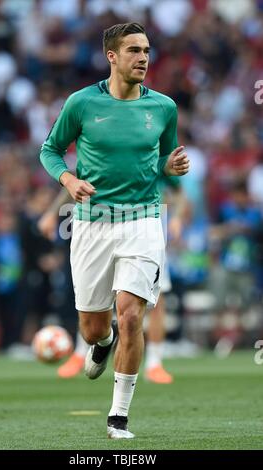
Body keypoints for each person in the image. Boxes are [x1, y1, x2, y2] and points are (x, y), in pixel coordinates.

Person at [40, 22, 189, 439]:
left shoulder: (163, 107)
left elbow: (164, 159)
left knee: (130, 315)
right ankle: (100, 344)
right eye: (134, 51)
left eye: (147, 50)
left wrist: (172, 167)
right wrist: (68, 180)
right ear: (112, 56)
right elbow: (49, 149)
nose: (143, 58)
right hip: (91, 226)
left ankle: (118, 417)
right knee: (94, 326)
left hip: (142, 222)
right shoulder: (82, 103)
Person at [38, 179, 187, 384]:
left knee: (156, 299)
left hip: (146, 235)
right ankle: (82, 352)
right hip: (101, 231)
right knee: (92, 295)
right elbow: (75, 181)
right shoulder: (101, 153)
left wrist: (177, 218)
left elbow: (178, 190)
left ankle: (154, 364)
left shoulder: (153, 151)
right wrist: (52, 213)